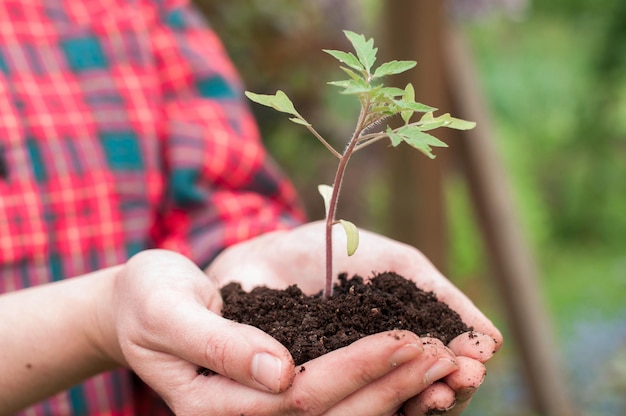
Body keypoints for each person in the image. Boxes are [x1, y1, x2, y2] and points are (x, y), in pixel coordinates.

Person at [0, 1, 502, 415]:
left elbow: (215, 193)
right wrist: (99, 318)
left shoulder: (136, 11)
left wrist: (244, 254)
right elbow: (118, 310)